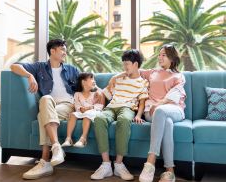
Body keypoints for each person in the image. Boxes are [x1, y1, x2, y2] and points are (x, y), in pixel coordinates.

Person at [111, 44, 186, 182]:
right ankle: (170, 171)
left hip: (174, 109)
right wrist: (115, 77)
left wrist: (160, 103)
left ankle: (150, 162)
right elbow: (132, 70)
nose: (160, 57)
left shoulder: (178, 76)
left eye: (164, 54)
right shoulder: (152, 73)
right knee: (166, 123)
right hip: (153, 112)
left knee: (161, 111)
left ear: (172, 57)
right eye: (159, 54)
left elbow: (176, 94)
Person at [10, 39, 79, 179]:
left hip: (67, 104)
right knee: (45, 99)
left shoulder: (72, 70)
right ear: (52, 51)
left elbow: (86, 85)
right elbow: (14, 66)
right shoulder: (39, 67)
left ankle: (45, 161)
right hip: (49, 104)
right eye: (62, 49)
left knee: (43, 116)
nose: (65, 53)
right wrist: (29, 75)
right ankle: (56, 146)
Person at [91, 49, 149, 181]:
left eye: (127, 64)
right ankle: (106, 165)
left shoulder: (143, 82)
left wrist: (139, 115)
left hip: (127, 108)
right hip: (112, 107)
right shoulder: (119, 79)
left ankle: (118, 164)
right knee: (99, 118)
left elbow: (142, 102)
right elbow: (105, 95)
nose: (124, 67)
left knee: (123, 120)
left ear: (135, 64)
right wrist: (96, 97)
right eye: (123, 64)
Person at [61, 72, 105, 148]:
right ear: (83, 82)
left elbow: (100, 106)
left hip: (92, 112)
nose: (94, 80)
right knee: (72, 115)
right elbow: (77, 105)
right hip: (81, 112)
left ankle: (83, 138)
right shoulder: (77, 94)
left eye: (94, 78)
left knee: (87, 116)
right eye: (91, 78)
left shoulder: (96, 93)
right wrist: (80, 109)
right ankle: (68, 138)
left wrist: (90, 108)